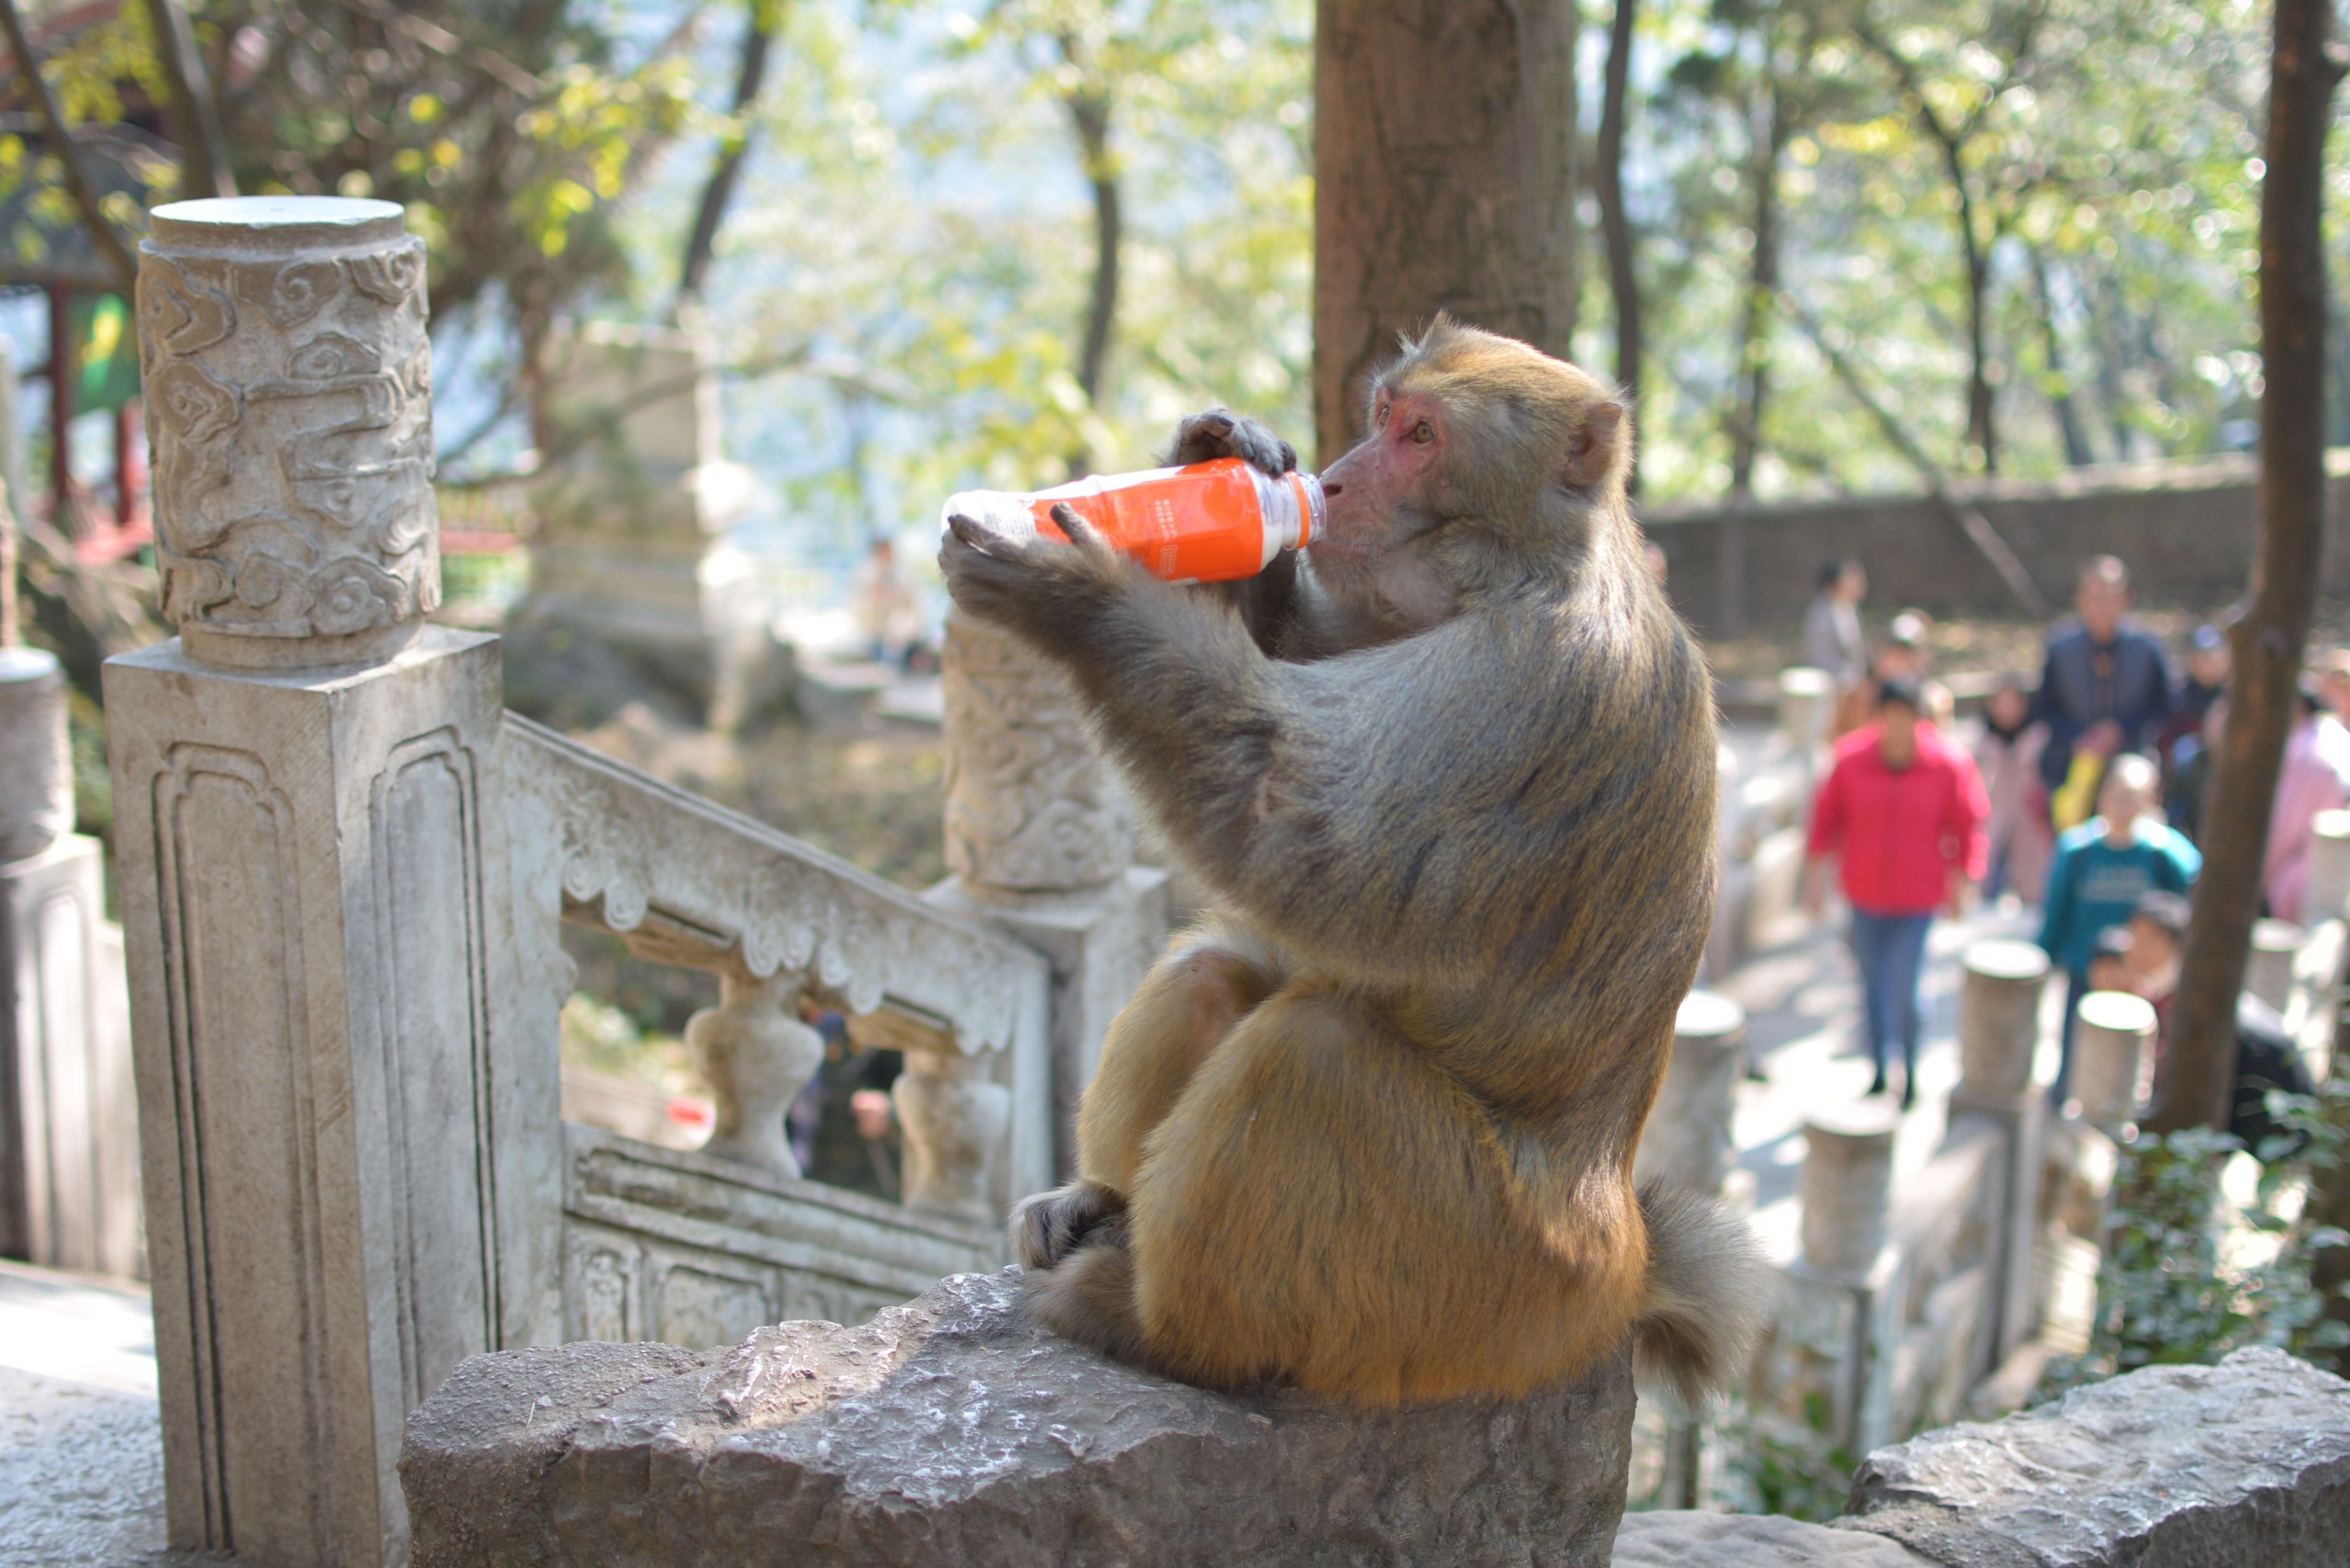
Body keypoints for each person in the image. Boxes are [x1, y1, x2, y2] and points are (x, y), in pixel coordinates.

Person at [1805, 678, 1990, 1108]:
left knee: (1905, 985)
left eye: (1906, 717)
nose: (1898, 726)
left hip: (1918, 897)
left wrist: (1964, 883)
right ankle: (1875, 1068)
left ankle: (1909, 1071)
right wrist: (1814, 883)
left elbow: (1969, 824)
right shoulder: (1850, 758)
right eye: (1891, 716)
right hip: (1864, 893)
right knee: (1871, 983)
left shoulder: (1948, 763)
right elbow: (1824, 820)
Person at [2037, 752, 2200, 1097]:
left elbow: (2189, 910)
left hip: (2146, 982)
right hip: (2088, 973)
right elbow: (2055, 916)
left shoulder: (2168, 856)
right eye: (2116, 793)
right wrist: (2045, 961)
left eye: (2133, 797)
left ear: (2151, 801)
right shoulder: (2077, 851)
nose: (2123, 805)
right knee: (2074, 1057)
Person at [2117, 892, 2312, 1157]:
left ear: (2173, 942)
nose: (2135, 951)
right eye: (2134, 938)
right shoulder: (2164, 992)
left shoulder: (2187, 1000)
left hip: (2257, 1109)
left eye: (2148, 940)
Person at [2032, 556, 2177, 801]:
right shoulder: (2060, 648)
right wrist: (2077, 736)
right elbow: (2046, 708)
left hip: (2133, 761)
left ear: (2126, 598)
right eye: (2095, 596)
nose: (2102, 605)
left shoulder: (2147, 648)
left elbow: (2165, 705)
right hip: (2072, 764)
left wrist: (2121, 729)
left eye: (2110, 596)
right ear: (2080, 598)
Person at [2263, 687, 2350, 924]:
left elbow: (2284, 830)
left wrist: (2268, 876)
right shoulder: (2336, 737)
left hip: (2305, 878)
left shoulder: (2305, 754)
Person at [1974, 673, 2053, 905]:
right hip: (1993, 820)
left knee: (2034, 887)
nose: (2007, 710)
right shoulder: (1983, 741)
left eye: (2013, 703)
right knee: (1987, 887)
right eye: (2001, 703)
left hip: (2031, 822)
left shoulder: (2041, 738)